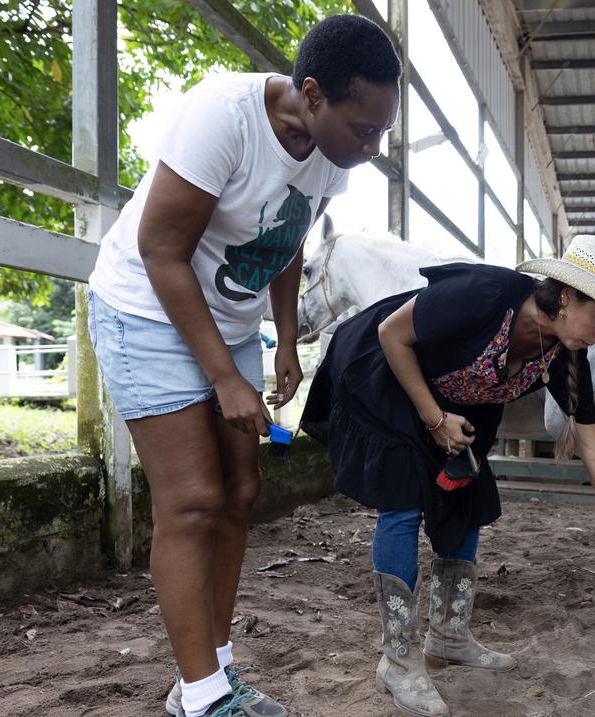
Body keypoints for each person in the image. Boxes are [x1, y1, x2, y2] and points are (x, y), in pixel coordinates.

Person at [86, 16, 401, 717]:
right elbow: (160, 250)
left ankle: (214, 673)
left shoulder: (330, 156)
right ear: (312, 94)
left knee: (241, 490)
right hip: (145, 307)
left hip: (227, 322)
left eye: (382, 132)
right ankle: (200, 700)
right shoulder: (222, 117)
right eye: (363, 129)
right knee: (193, 498)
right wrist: (227, 378)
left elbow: (287, 239)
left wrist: (285, 340)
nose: (372, 147)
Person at [300, 235, 595, 717]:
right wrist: (433, 419)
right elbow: (391, 333)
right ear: (569, 295)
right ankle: (399, 662)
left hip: (456, 405)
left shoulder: (565, 356)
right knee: (404, 501)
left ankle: (448, 636)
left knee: (465, 500)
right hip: (384, 375)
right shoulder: (486, 294)